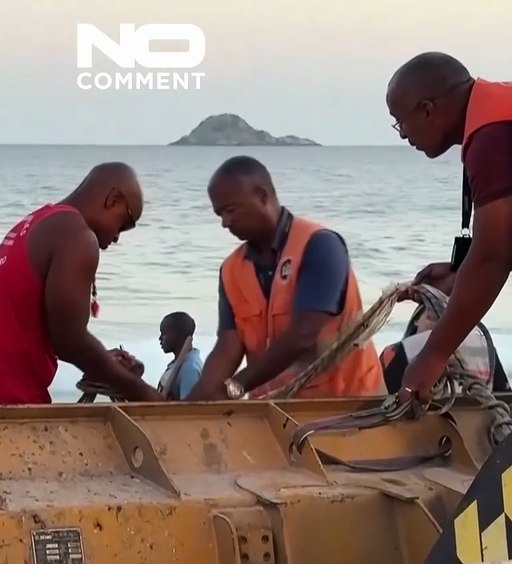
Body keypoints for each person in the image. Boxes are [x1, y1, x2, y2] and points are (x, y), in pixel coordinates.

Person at [0, 162, 165, 404]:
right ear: (113, 199)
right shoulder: (77, 236)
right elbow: (69, 342)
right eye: (125, 223)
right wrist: (143, 393)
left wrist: (102, 361)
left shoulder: (40, 221)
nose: (118, 237)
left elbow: (42, 330)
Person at [189, 156, 385, 400]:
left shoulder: (320, 245)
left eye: (231, 210)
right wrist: (195, 401)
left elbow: (303, 335)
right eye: (219, 214)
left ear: (262, 196)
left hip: (348, 404)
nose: (225, 223)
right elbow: (228, 345)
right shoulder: (231, 269)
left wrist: (235, 387)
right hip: (274, 409)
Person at [385, 53, 512, 401]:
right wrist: (460, 273)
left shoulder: (492, 135)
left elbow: (494, 256)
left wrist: (432, 357)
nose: (403, 134)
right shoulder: (497, 113)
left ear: (427, 110)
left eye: (400, 122)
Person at [380, 304, 509, 393]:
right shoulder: (395, 353)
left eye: (443, 321)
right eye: (431, 318)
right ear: (416, 320)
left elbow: (503, 397)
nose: (437, 326)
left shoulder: (485, 353)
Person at [156, 311, 203, 400]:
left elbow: (188, 407)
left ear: (177, 335)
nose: (160, 338)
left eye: (164, 333)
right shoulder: (178, 363)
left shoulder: (190, 369)